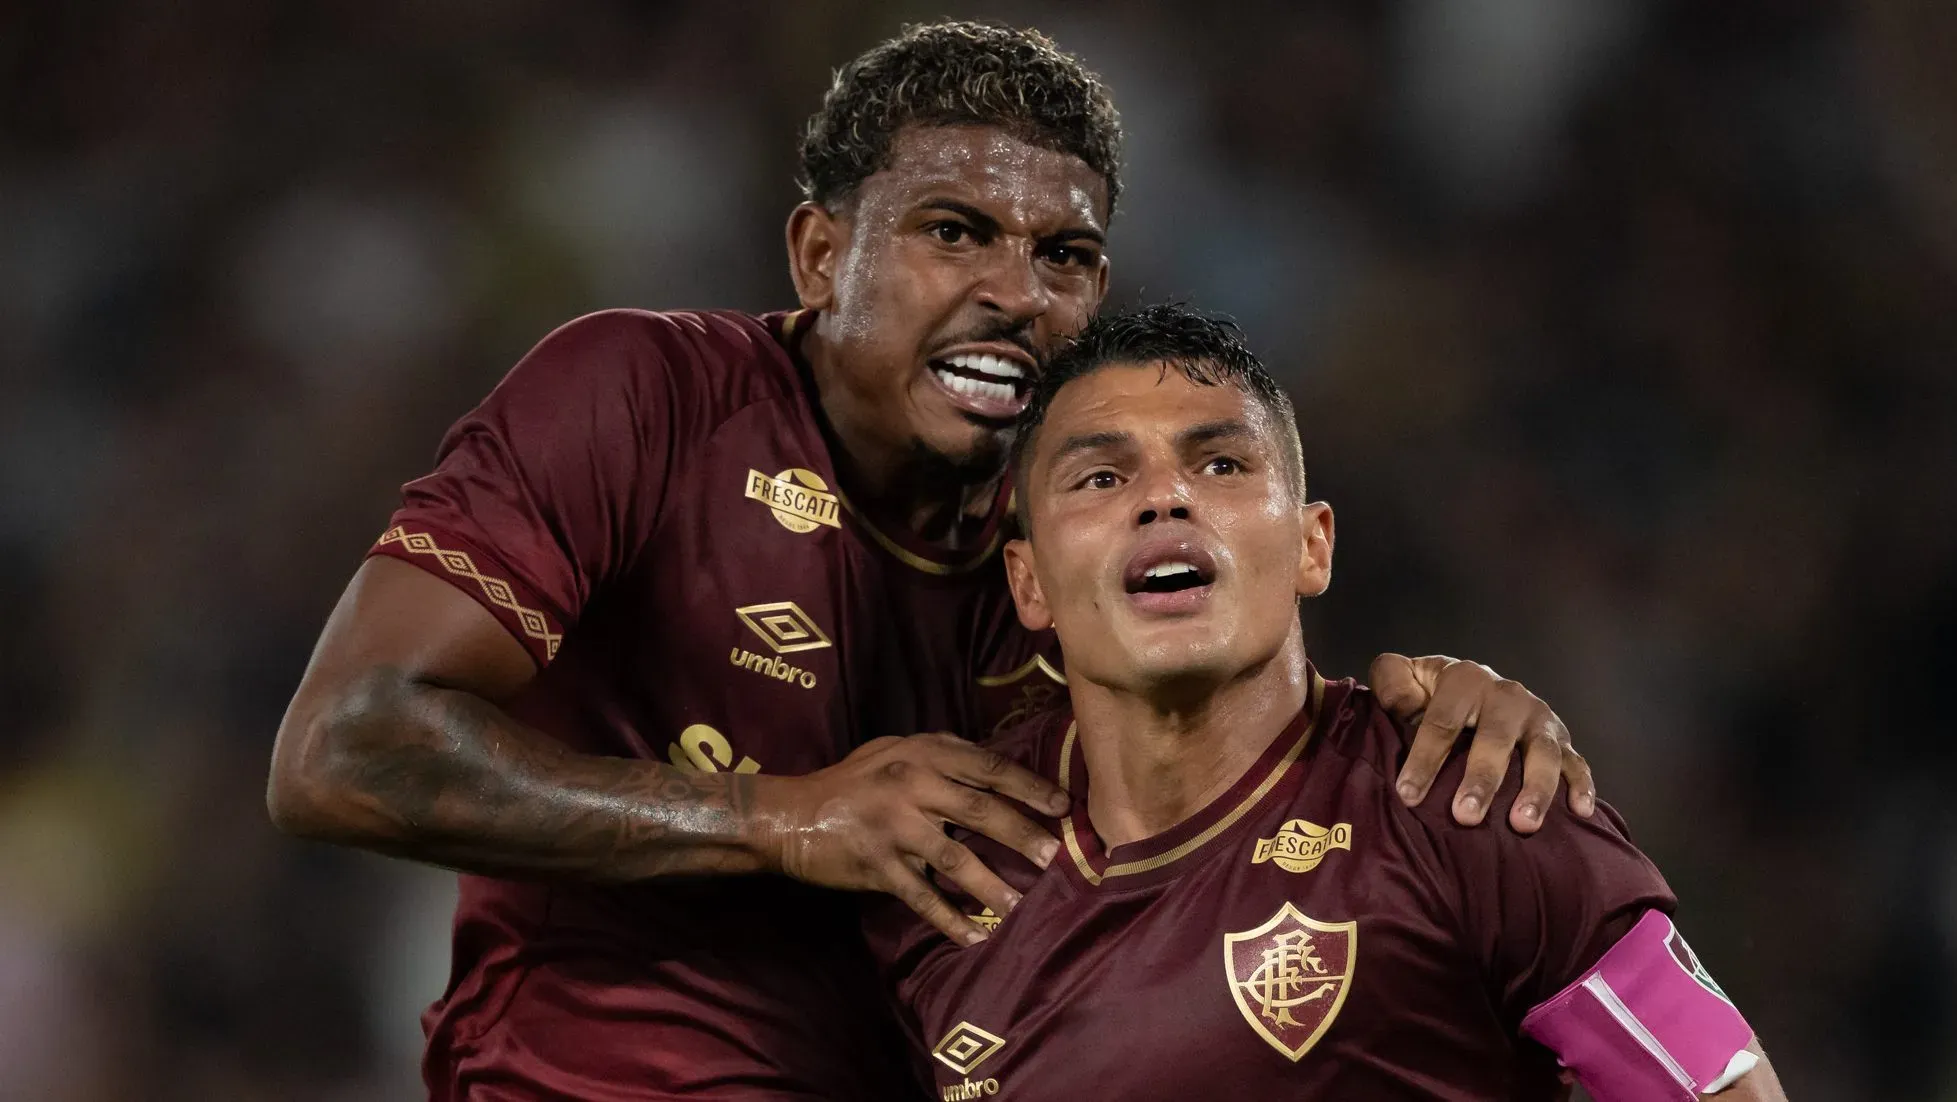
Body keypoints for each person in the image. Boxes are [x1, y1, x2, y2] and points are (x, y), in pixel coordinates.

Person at [267, 22, 1593, 1101]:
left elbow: (1257, 774)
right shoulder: (642, 396)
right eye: (953, 231)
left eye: (1062, 254)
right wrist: (779, 816)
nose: (1016, 291)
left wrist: (1453, 723)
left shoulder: (1079, 542)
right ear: (819, 251)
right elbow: (342, 748)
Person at [866, 303, 1784, 1101]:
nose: (1164, 500)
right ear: (1028, 584)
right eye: (1101, 478)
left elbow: (1720, 1090)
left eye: (1220, 465)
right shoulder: (943, 881)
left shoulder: (1469, 806)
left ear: (1313, 547)